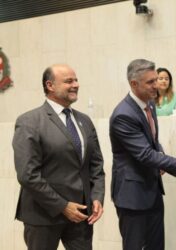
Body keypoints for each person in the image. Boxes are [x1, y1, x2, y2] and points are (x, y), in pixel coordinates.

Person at [109, 59, 176, 250]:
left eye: (156, 79)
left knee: (157, 246)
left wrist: (162, 158)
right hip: (132, 196)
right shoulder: (123, 114)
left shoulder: (150, 104)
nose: (157, 85)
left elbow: (153, 141)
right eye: (150, 82)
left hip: (152, 190)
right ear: (134, 84)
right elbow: (145, 154)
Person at [12, 64, 105, 250]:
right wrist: (62, 206)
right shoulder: (29, 122)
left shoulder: (84, 121)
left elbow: (95, 165)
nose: (76, 84)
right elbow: (27, 175)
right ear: (50, 85)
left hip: (81, 215)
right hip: (42, 216)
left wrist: (96, 197)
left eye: (76, 80)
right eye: (69, 81)